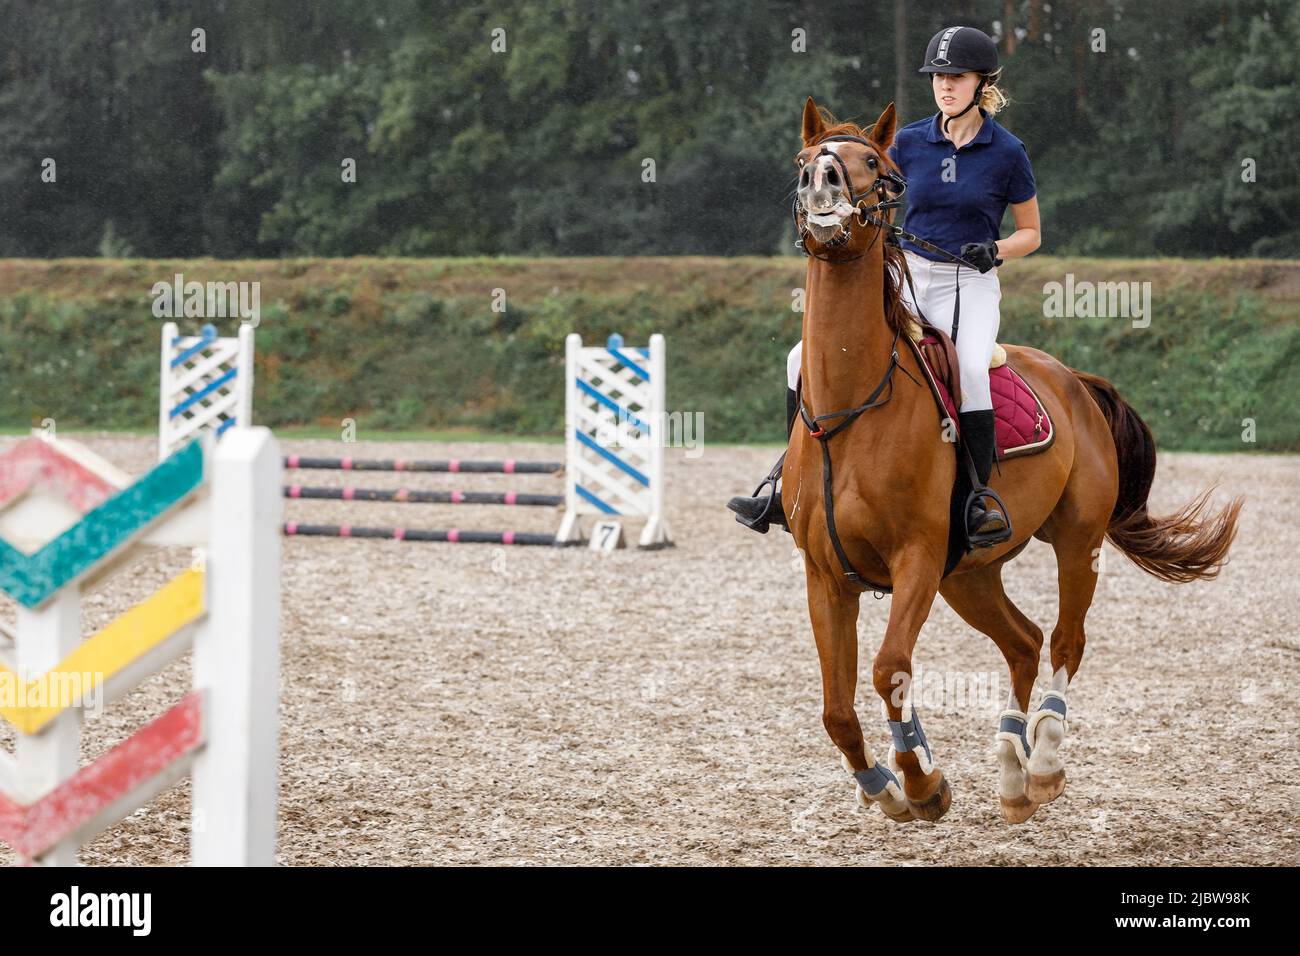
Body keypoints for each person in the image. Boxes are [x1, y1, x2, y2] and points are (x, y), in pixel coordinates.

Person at [728, 25, 1040, 548]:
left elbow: (1032, 232)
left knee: (969, 369)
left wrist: (999, 248)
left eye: (956, 77)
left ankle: (976, 499)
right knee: (798, 358)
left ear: (980, 82)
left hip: (970, 282)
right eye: (938, 77)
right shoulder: (910, 141)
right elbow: (868, 187)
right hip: (907, 275)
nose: (945, 86)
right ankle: (787, 486)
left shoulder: (1007, 151)